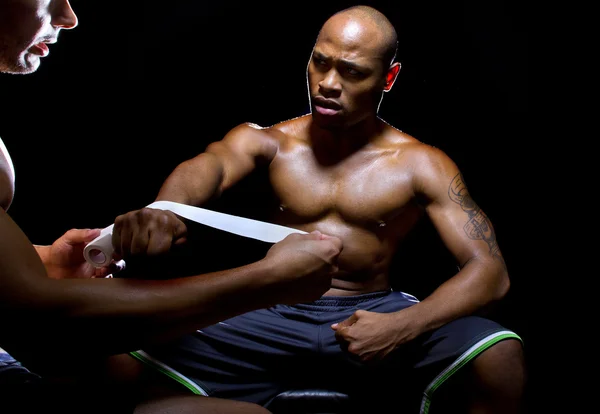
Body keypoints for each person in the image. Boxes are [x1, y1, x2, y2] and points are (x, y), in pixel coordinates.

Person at [109, 4, 527, 414]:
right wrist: (164, 210)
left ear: (388, 78)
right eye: (320, 63)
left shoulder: (421, 163)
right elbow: (210, 168)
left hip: (374, 310)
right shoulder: (271, 141)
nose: (328, 83)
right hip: (268, 308)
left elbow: (489, 272)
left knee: (498, 355)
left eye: (351, 71)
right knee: (115, 350)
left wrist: (404, 326)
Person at [0, 1, 343, 412]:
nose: (68, 17)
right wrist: (269, 280)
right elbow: (41, 327)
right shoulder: (266, 139)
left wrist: (40, 263)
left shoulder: (417, 162)